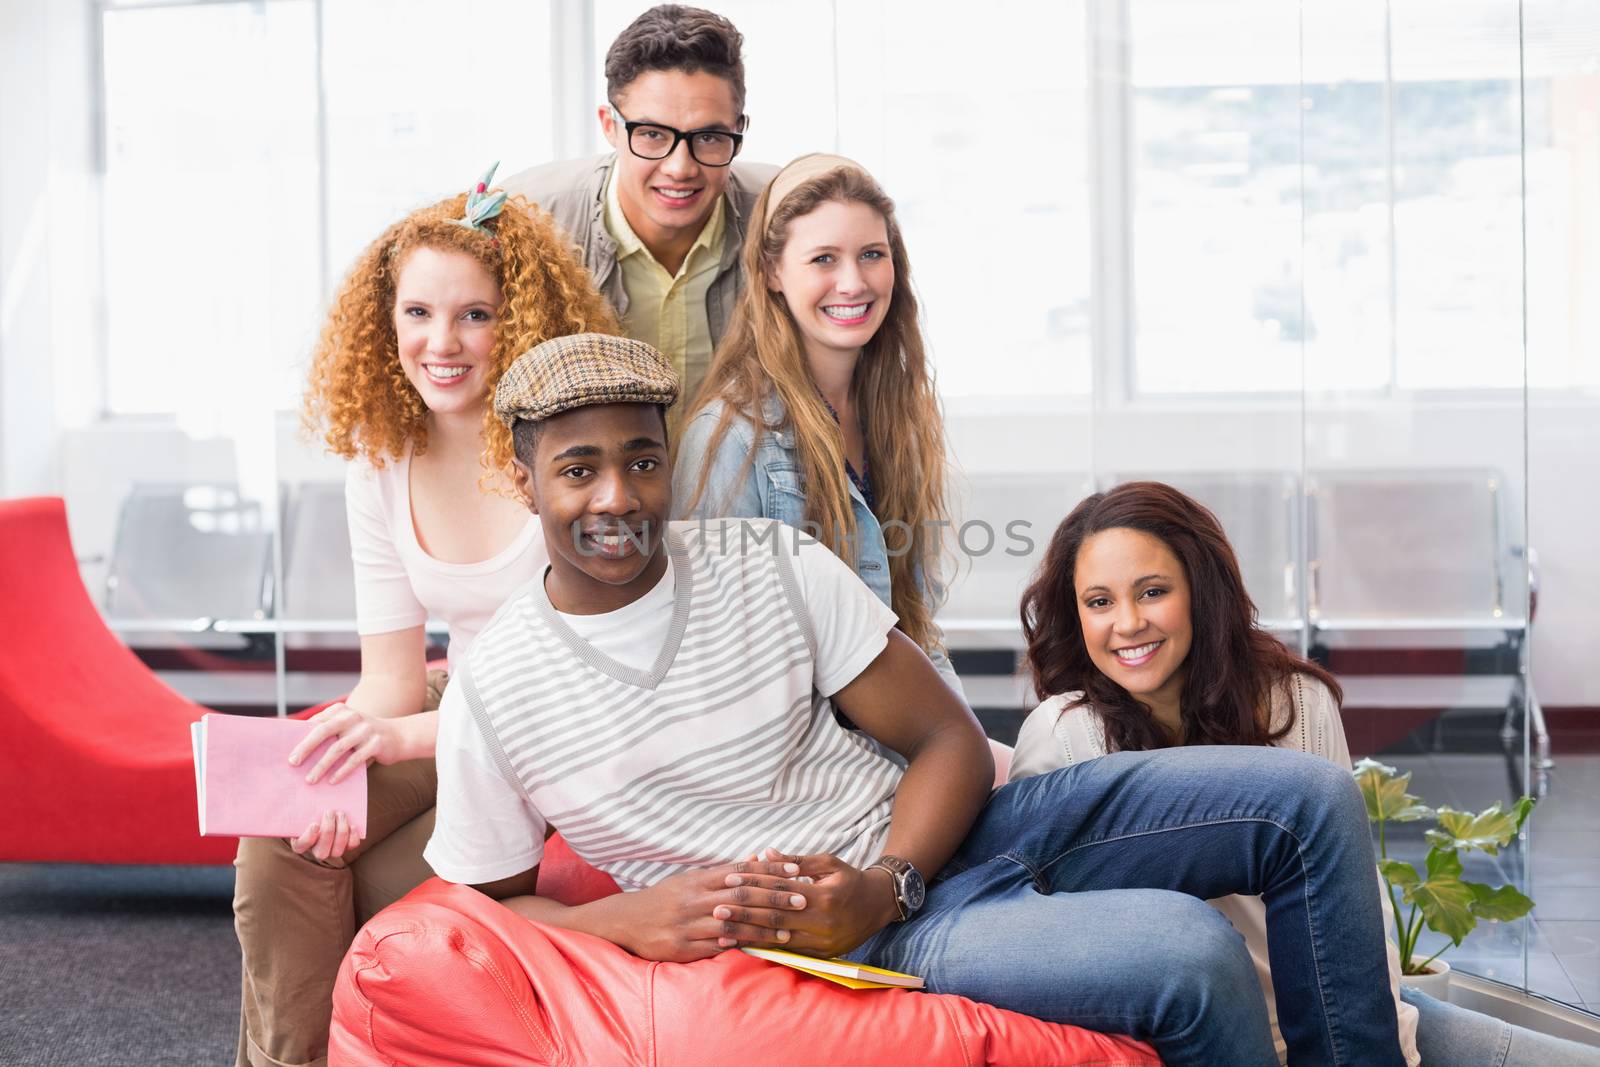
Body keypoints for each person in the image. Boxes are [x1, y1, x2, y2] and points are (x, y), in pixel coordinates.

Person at [422, 331, 1409, 1067]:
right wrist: (624, 919)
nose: (617, 498)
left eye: (640, 459)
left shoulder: (765, 562)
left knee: (1309, 804)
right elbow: (479, 911)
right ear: (522, 477)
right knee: (1189, 952)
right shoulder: (497, 689)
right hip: (867, 941)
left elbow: (942, 733)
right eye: (578, 469)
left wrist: (888, 872)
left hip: (953, 842)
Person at [1009, 479, 1600, 1067]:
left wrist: (1386, 1043)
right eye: (1100, 602)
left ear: (1201, 591)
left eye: (1153, 591)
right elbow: (1055, 953)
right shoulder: (1063, 737)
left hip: (1341, 1016)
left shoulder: (1295, 700)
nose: (1129, 623)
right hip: (1201, 1043)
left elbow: (1355, 896)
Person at [231, 172, 618, 1067]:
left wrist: (396, 740)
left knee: (361, 877)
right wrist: (345, 754)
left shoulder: (570, 454)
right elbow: (393, 681)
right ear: (386, 322)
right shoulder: (380, 461)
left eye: (475, 316)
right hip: (451, 709)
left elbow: (582, 680)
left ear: (517, 324)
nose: (441, 343)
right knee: (282, 843)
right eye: (417, 314)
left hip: (562, 732)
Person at [673, 154, 959, 687]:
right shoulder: (730, 436)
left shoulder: (896, 418)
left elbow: (918, 631)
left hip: (905, 729)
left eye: (871, 254)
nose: (852, 282)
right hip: (807, 753)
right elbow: (711, 657)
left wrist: (963, 740)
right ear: (773, 273)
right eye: (824, 259)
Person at [502, 4, 777, 415]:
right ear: (609, 126)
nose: (680, 168)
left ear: (739, 130)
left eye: (709, 137)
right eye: (651, 134)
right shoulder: (528, 221)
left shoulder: (787, 216)